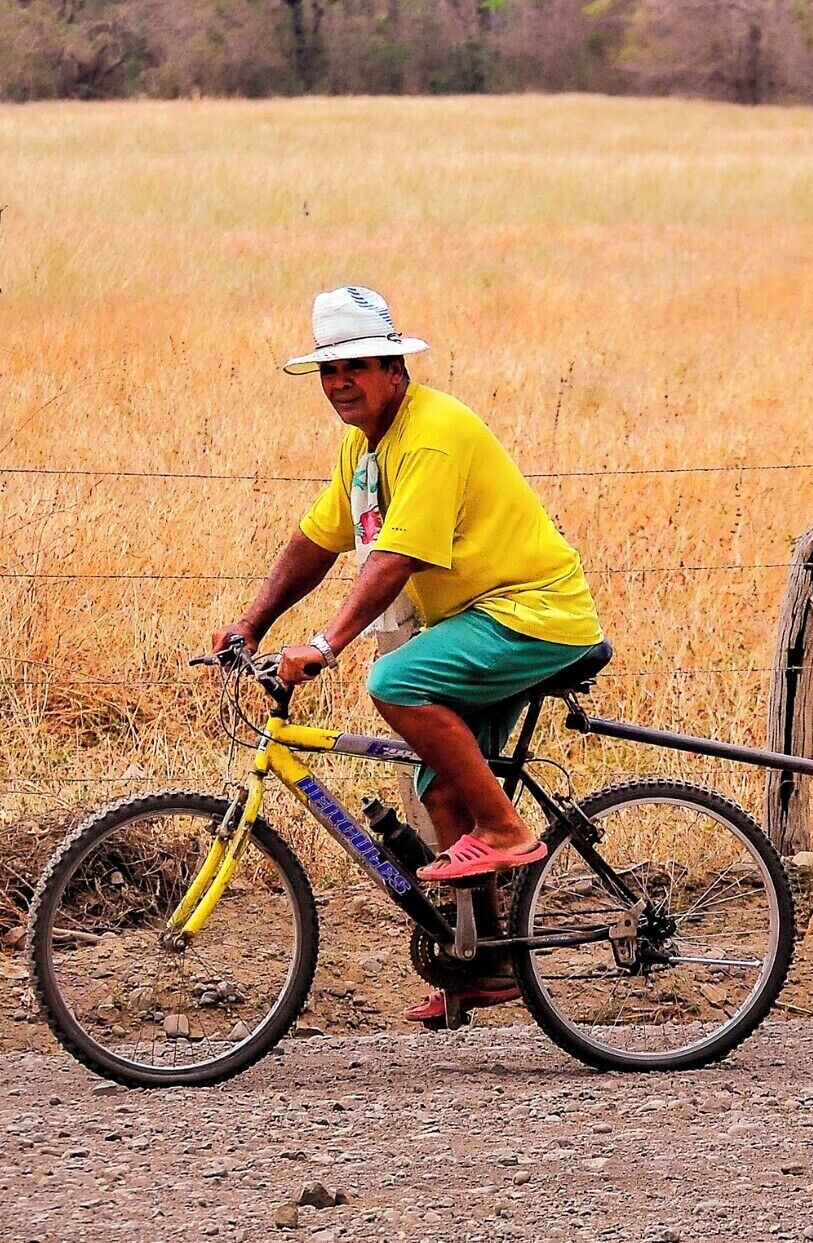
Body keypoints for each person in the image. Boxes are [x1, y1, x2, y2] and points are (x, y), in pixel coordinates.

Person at [217, 286, 606, 1018]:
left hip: (534, 614)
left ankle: (508, 829)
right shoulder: (363, 449)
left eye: (356, 367)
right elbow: (318, 540)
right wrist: (253, 623)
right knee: (436, 791)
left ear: (395, 367)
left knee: (396, 679)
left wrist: (327, 644)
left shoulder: (431, 433)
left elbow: (393, 558)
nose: (340, 385)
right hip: (480, 618)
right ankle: (484, 967)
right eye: (329, 373)